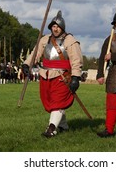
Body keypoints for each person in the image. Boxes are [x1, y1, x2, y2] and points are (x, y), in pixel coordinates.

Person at [22, 10, 83, 138]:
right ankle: (63, 125)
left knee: (58, 102)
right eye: (53, 26)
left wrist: (75, 77)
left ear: (62, 27)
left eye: (58, 26)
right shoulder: (44, 40)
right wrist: (27, 64)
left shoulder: (70, 40)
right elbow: (35, 53)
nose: (55, 29)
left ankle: (51, 128)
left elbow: (76, 60)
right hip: (45, 75)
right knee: (50, 101)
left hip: (62, 76)